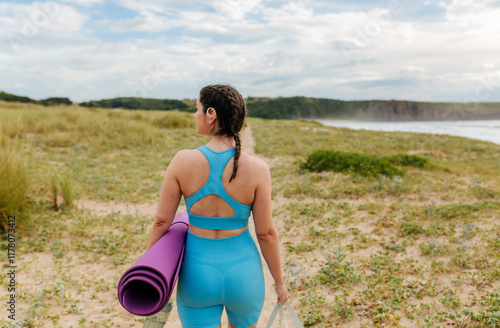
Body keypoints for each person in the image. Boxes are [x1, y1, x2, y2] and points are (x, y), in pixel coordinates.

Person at [145, 84, 290, 328]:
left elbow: (162, 222)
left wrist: (148, 268)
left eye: (197, 108)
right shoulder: (258, 169)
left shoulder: (182, 161)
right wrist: (279, 282)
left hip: (196, 275)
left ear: (211, 114)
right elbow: (265, 233)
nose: (194, 115)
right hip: (244, 274)